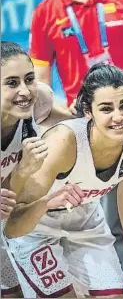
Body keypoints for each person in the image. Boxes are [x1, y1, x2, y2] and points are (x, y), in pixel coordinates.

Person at [4, 64, 123, 298]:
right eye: (106, 108)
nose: (118, 117)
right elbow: (13, 225)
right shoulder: (62, 143)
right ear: (88, 111)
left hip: (86, 221)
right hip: (36, 226)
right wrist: (47, 202)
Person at [0, 42, 71, 298]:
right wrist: (23, 170)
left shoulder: (38, 98)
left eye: (29, 79)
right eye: (11, 83)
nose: (24, 91)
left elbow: (70, 121)